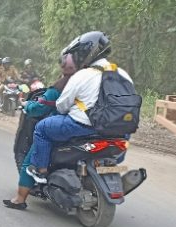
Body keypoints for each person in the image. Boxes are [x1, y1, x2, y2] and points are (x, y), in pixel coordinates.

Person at [26, 31, 134, 184]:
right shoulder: (122, 74)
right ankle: (111, 167)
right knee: (121, 142)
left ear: (84, 54)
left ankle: (41, 170)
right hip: (119, 129)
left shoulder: (82, 75)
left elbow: (62, 106)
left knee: (42, 128)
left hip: (84, 127)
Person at [3, 52, 78, 210]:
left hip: (61, 127)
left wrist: (26, 105)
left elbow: (39, 107)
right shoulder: (89, 84)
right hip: (86, 128)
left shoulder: (60, 87)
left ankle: (20, 199)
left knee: (31, 159)